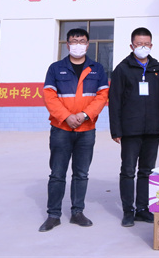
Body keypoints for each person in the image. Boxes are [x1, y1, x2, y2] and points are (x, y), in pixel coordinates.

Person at [39, 28, 109, 232]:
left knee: (81, 173)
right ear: (67, 44)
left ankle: (77, 212)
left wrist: (85, 115)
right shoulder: (55, 68)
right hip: (61, 128)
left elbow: (102, 96)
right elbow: (49, 97)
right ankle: (53, 215)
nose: (78, 45)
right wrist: (66, 117)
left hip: (86, 129)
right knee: (57, 173)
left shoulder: (97, 69)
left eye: (82, 41)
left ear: (88, 44)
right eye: (74, 41)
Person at [109, 27, 159, 227]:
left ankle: (142, 208)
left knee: (147, 170)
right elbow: (114, 101)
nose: (143, 47)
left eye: (146, 44)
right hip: (130, 129)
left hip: (152, 129)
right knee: (128, 171)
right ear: (132, 46)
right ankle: (128, 210)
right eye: (139, 44)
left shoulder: (158, 69)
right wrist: (116, 130)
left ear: (151, 45)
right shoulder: (122, 69)